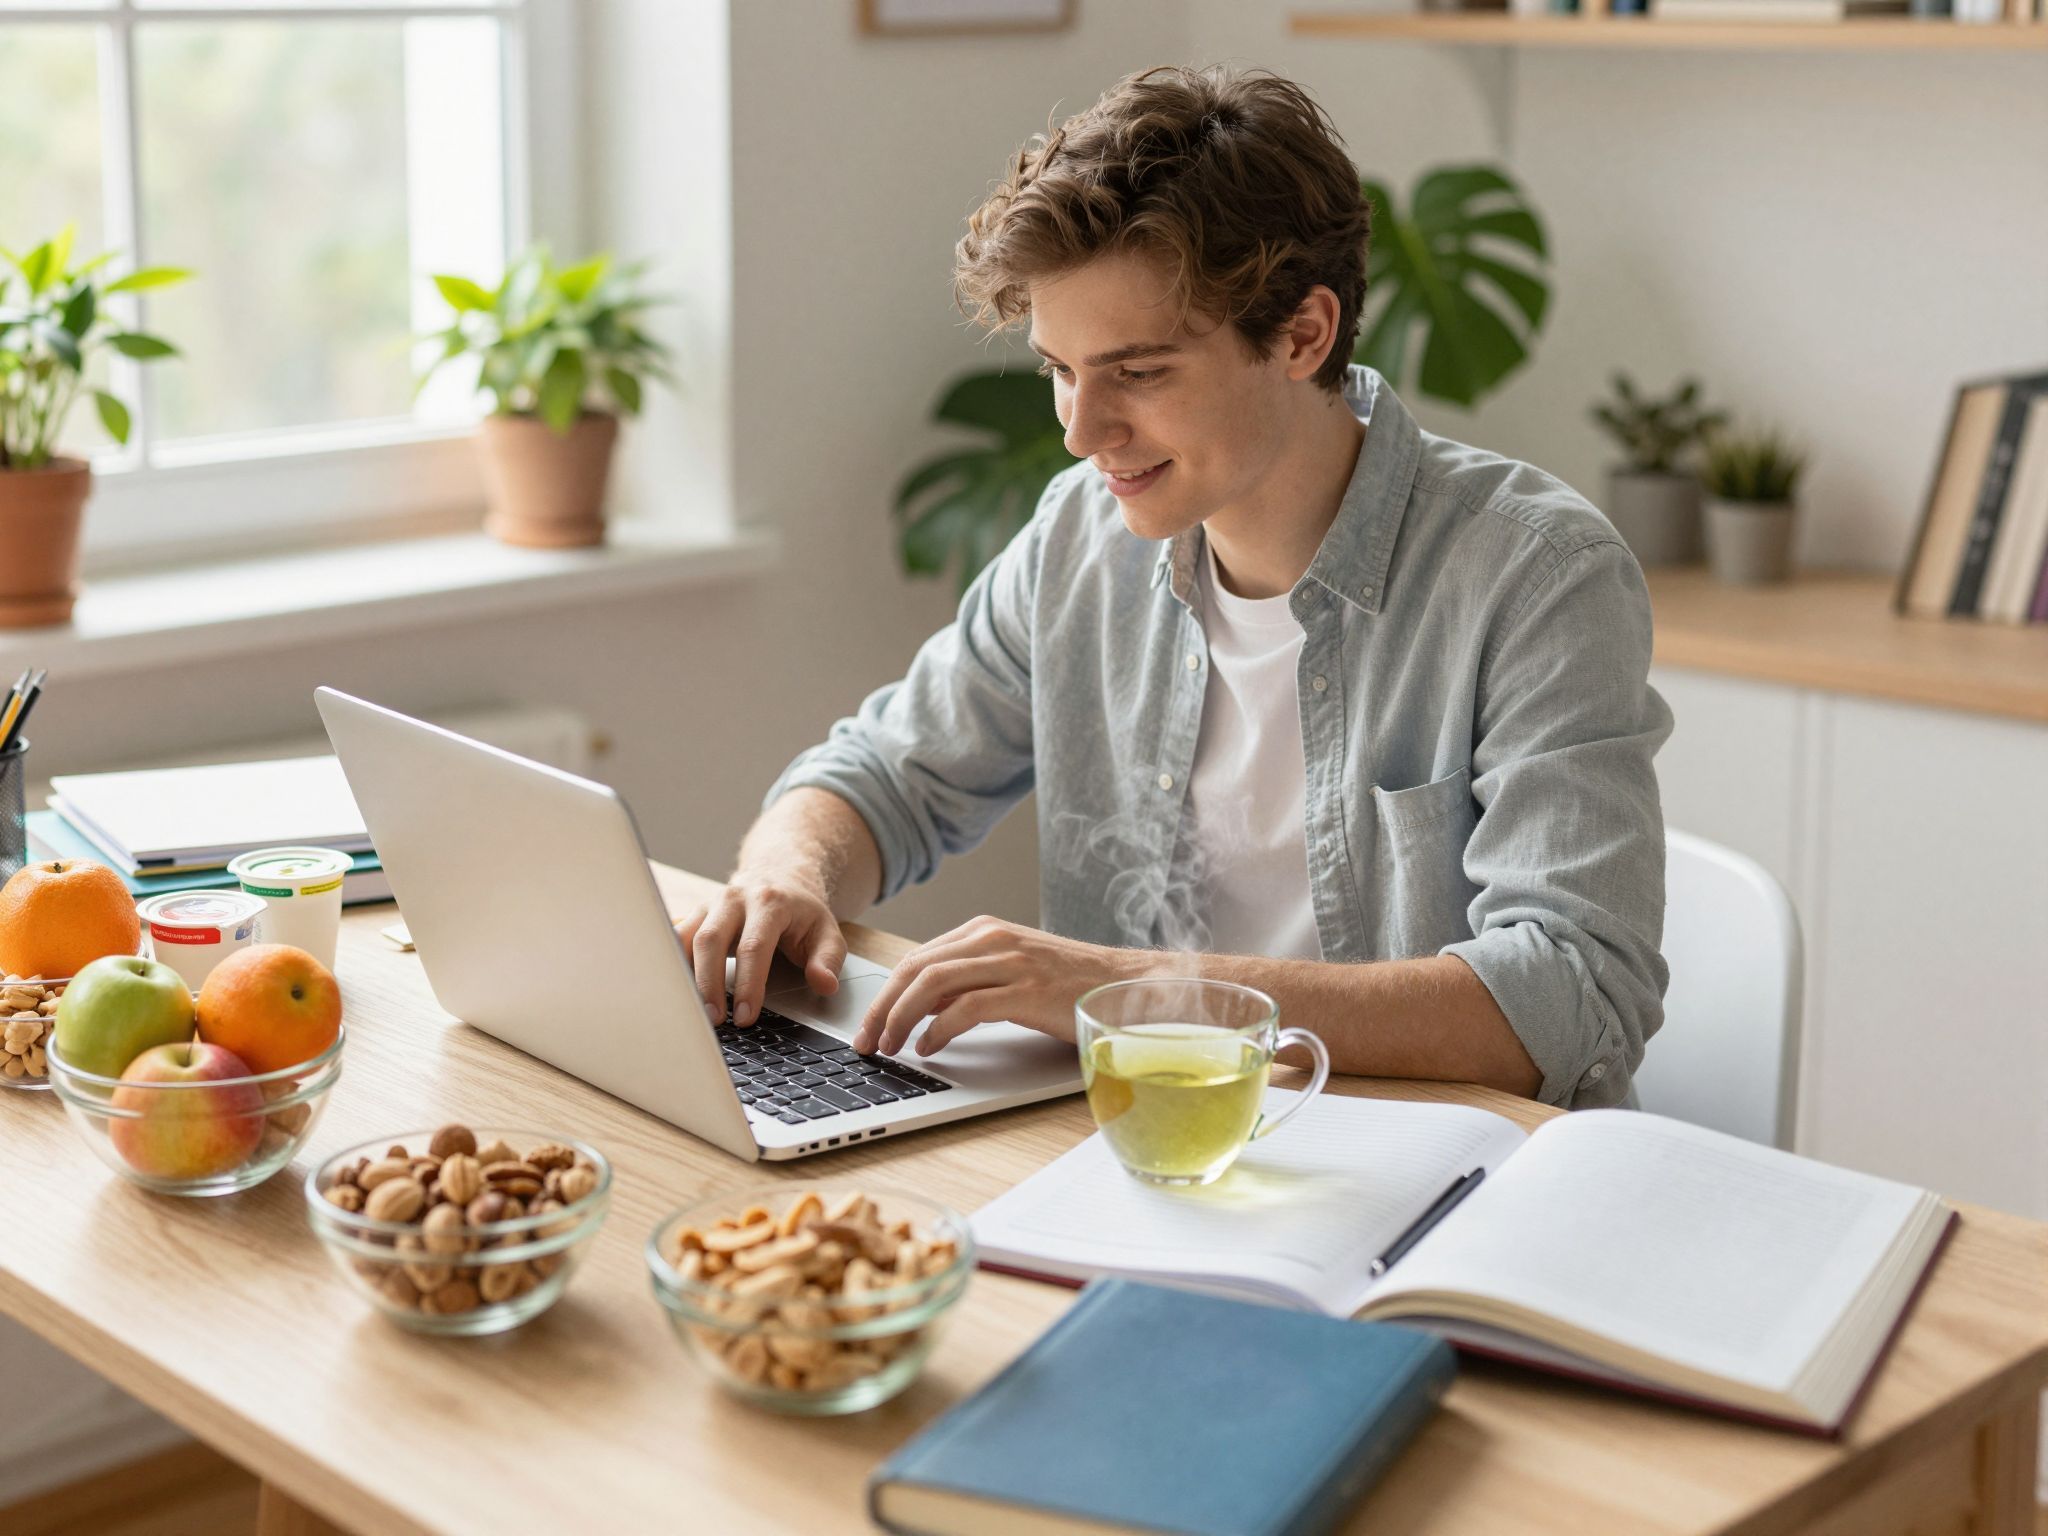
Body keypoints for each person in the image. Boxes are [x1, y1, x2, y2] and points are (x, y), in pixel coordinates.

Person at [675, 63, 1672, 1108]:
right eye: (1060, 368)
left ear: (1301, 334)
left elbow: (1569, 995)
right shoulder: (1079, 534)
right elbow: (885, 774)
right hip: (1143, 1152)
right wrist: (785, 877)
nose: (1077, 431)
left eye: (1137, 374)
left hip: (1435, 1185)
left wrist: (1129, 992)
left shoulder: (1537, 575)